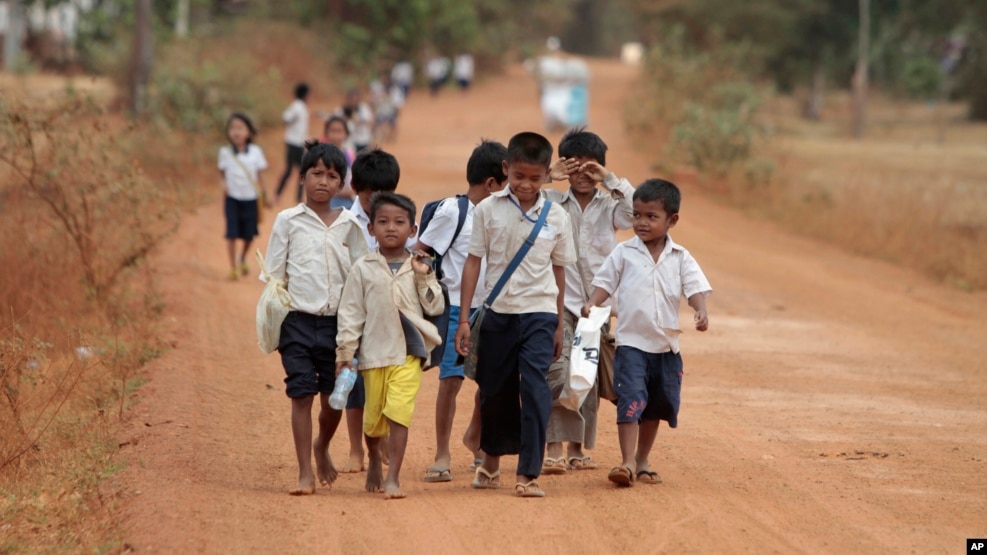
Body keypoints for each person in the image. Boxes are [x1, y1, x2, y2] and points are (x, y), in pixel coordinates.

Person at [454, 131, 576, 498]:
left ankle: (528, 473)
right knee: (495, 391)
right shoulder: (487, 209)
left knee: (535, 388)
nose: (526, 185)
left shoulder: (556, 216)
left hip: (539, 314)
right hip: (498, 313)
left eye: (535, 178)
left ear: (545, 176)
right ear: (506, 169)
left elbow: (559, 272)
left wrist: (557, 323)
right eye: (519, 176)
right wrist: (464, 318)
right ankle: (490, 463)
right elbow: (473, 263)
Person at [581, 178, 711, 487]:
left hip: (666, 346)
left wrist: (700, 309)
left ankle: (642, 459)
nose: (641, 222)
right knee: (631, 399)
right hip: (631, 344)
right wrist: (591, 302)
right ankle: (626, 462)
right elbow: (605, 282)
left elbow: (694, 287)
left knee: (654, 405)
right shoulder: (624, 253)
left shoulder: (680, 257)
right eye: (637, 215)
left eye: (651, 217)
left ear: (672, 220)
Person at [261, 140, 369, 495]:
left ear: (342, 184)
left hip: (339, 325)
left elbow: (360, 275)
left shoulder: (351, 225)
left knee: (333, 398)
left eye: (332, 176)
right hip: (297, 320)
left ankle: (322, 444)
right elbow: (275, 276)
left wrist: (360, 326)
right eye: (316, 173)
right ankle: (304, 471)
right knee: (301, 394)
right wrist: (272, 322)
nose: (323, 181)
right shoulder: (287, 221)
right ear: (303, 177)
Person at [335, 192, 445, 499]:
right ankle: (373, 459)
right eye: (382, 222)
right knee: (372, 422)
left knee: (398, 413)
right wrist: (345, 352)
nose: (391, 228)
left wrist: (424, 278)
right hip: (373, 353)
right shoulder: (363, 268)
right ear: (371, 229)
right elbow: (351, 313)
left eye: (399, 222)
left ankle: (393, 477)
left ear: (413, 231)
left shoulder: (419, 266)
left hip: (408, 354)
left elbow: (435, 307)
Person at [540, 128, 635, 475]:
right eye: (573, 168)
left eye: (589, 168)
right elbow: (516, 201)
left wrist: (611, 180)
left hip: (596, 306)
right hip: (558, 300)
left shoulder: (612, 206)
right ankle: (553, 447)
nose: (581, 175)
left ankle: (577, 448)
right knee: (558, 369)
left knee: (587, 375)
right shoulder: (548, 201)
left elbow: (637, 213)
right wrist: (547, 176)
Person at [414, 139, 508, 483]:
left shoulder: (500, 212)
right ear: (491, 183)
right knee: (451, 381)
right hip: (457, 308)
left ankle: (475, 436)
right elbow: (422, 249)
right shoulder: (455, 212)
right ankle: (442, 453)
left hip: (494, 309)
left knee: (490, 380)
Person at [338, 148, 404, 473]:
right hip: (352, 312)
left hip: (387, 312)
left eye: (385, 193)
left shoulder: (396, 217)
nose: (377, 200)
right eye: (370, 194)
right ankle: (356, 449)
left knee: (388, 378)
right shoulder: (344, 223)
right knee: (353, 383)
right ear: (355, 187)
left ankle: (384, 442)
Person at [217, 112, 269, 281]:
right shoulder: (225, 152)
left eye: (240, 128)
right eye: (232, 128)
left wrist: (265, 193)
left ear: (249, 132)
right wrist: (223, 185)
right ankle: (233, 268)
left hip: (251, 198)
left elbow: (260, 175)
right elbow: (221, 171)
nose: (236, 132)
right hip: (232, 198)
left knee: (249, 234)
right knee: (231, 233)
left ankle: (242, 257)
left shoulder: (256, 151)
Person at [275, 83, 310, 204]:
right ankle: (279, 194)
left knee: (300, 170)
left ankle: (297, 197)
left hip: (299, 142)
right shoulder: (297, 106)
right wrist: (291, 119)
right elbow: (286, 118)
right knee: (290, 170)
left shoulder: (302, 107)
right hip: (293, 142)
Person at [321, 115, 356, 209]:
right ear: (326, 133)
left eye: (339, 131)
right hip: (326, 204)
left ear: (346, 134)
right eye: (333, 131)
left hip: (347, 204)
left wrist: (350, 191)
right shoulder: (321, 156)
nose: (336, 135)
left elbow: (354, 178)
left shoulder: (350, 154)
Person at [338, 88, 375, 153]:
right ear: (348, 99)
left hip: (363, 139)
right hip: (348, 141)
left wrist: (359, 121)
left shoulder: (364, 108)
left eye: (356, 99)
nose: (354, 102)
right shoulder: (341, 110)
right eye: (352, 99)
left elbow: (371, 122)